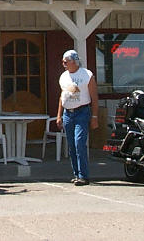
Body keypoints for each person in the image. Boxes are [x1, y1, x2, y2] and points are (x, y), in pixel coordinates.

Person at [56, 49, 98, 186]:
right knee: (72, 145)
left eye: (65, 61)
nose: (64, 64)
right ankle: (76, 174)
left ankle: (83, 175)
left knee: (80, 142)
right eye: (63, 62)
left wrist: (95, 116)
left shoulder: (87, 75)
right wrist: (59, 115)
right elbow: (62, 96)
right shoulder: (63, 76)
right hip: (68, 113)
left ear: (74, 61)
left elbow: (94, 97)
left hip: (82, 111)